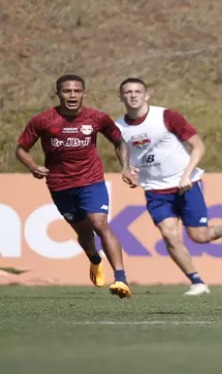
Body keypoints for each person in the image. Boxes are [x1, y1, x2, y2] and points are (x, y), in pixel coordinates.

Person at [115, 78, 222, 296]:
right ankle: (197, 282)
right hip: (154, 189)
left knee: (200, 236)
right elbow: (122, 147)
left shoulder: (166, 116)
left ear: (146, 95)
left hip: (185, 184)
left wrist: (187, 175)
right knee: (169, 234)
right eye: (128, 92)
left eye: (137, 91)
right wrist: (126, 168)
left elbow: (198, 145)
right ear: (120, 97)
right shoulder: (118, 126)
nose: (133, 95)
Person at [16, 74, 136, 298]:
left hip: (91, 181)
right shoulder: (42, 120)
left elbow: (119, 142)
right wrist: (32, 166)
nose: (72, 95)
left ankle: (121, 279)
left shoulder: (97, 118)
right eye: (67, 91)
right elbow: (21, 149)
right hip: (60, 185)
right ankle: (94, 259)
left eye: (76, 91)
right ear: (58, 93)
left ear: (84, 93)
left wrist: (126, 168)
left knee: (99, 223)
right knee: (85, 234)